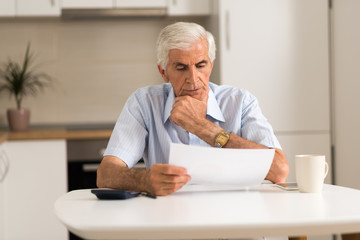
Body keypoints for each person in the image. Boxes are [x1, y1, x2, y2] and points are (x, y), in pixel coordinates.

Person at [97, 22, 289, 196]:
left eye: (201, 65)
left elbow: (279, 170)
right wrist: (143, 180)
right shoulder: (144, 102)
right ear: (164, 72)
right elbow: (105, 175)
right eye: (181, 68)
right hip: (172, 224)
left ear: (211, 65)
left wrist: (203, 127)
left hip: (235, 220)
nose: (193, 78)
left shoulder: (240, 102)